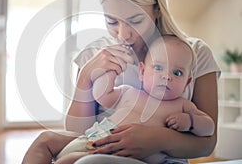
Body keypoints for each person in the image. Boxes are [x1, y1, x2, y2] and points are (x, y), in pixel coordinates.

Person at [23, 0, 220, 163]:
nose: (122, 34)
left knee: (89, 162)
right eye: (111, 22)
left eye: (135, 21)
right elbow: (78, 133)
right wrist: (85, 76)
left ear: (157, 10)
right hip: (99, 141)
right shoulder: (96, 53)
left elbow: (207, 144)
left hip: (160, 158)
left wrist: (157, 139)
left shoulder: (195, 53)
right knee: (44, 141)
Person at [23, 35, 215, 164]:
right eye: (158, 68)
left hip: (131, 155)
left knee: (69, 160)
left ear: (187, 81)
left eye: (177, 72)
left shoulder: (182, 106)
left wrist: (190, 121)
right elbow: (102, 96)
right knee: (44, 140)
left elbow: (209, 128)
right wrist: (109, 76)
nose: (166, 76)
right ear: (141, 71)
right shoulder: (129, 93)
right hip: (98, 137)